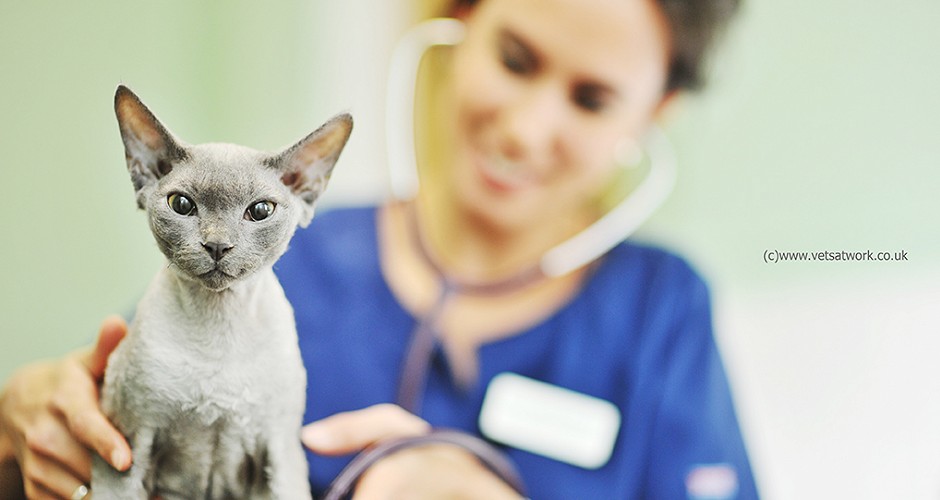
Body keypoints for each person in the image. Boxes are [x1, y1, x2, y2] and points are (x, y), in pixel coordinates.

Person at [0, 0, 759, 498]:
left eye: (591, 99)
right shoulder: (281, 256)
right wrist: (16, 439)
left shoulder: (663, 312)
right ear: (453, 25)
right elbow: (107, 446)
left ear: (657, 109)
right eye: (516, 60)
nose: (527, 130)